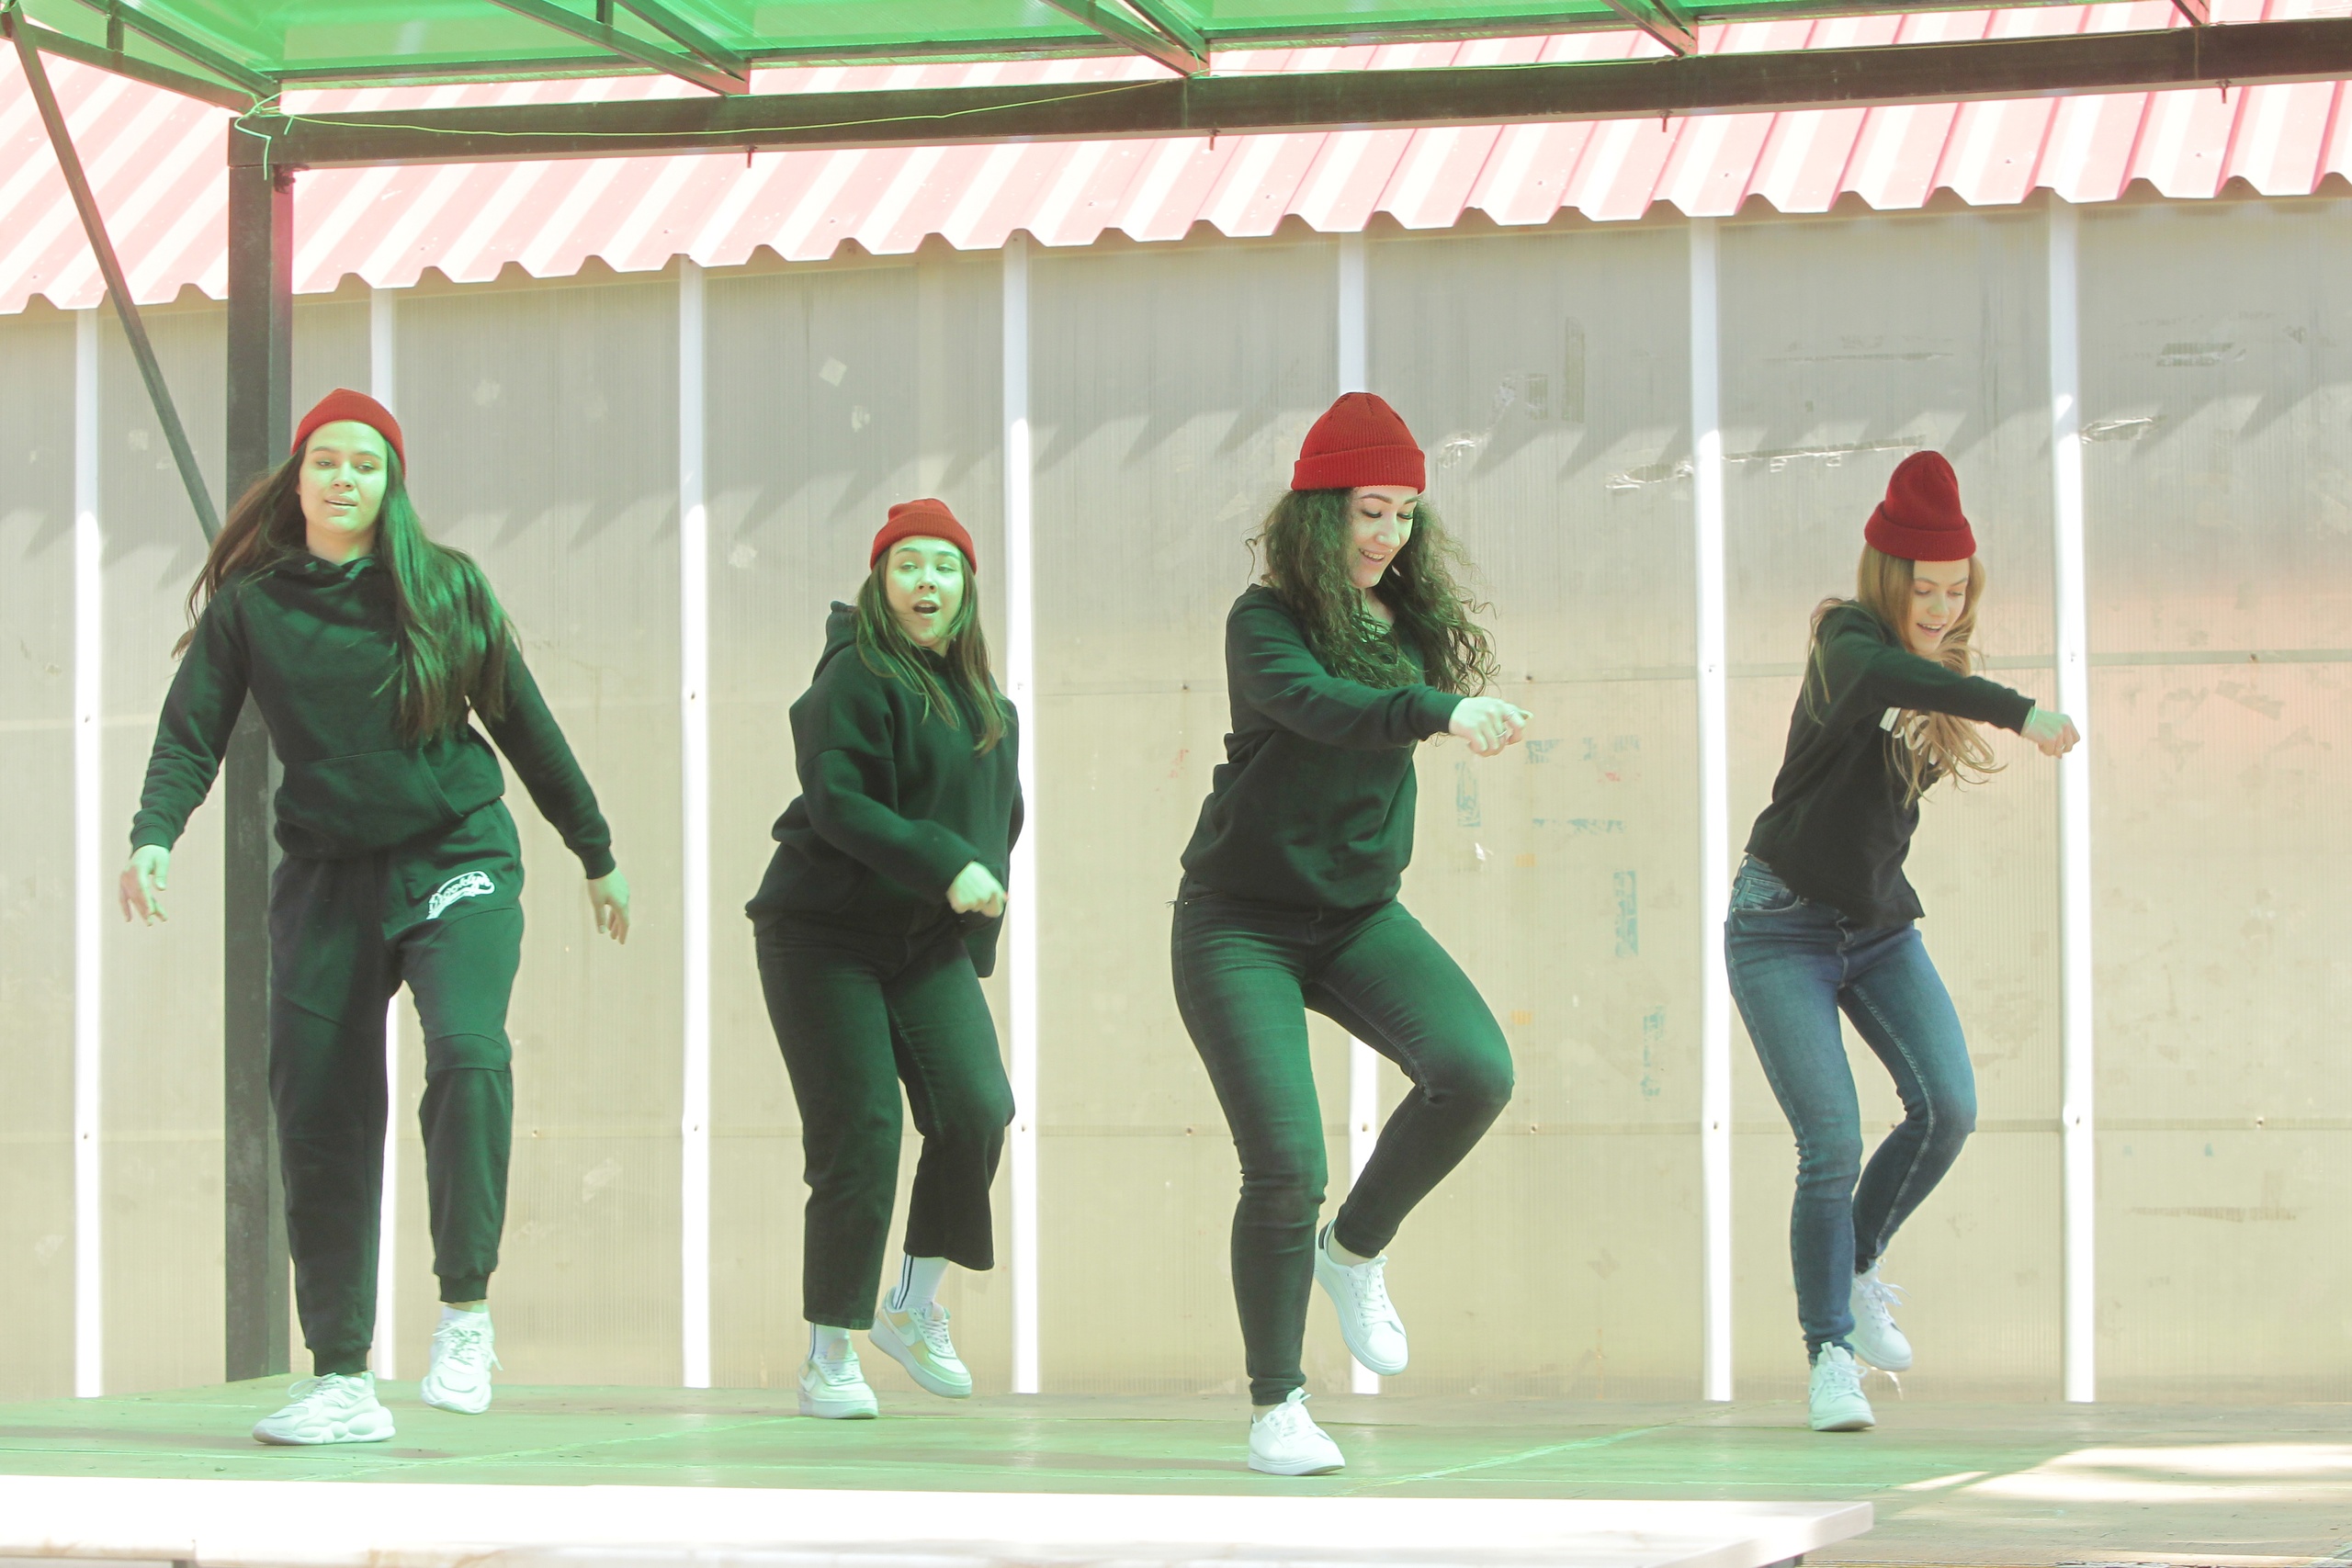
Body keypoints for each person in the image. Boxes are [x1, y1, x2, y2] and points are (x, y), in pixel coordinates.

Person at [119, 389, 630, 1444]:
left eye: (366, 464)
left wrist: (595, 850)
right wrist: (153, 834)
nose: (344, 478)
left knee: (468, 1051)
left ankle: (465, 1315)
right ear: (298, 478)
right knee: (319, 1112)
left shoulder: (445, 588)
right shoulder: (251, 608)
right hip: (326, 878)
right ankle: (343, 1380)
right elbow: (190, 733)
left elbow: (526, 726)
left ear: (392, 482)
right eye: (326, 462)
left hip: (455, 855)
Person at [1170, 393, 1529, 1475]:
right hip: (1240, 925)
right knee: (1287, 1164)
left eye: (1405, 514)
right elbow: (1324, 706)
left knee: (1474, 1071)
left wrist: (1435, 694)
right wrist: (1436, 708)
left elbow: (1384, 703)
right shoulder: (1263, 622)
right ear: (1318, 512)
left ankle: (1355, 1249)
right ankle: (1277, 1405)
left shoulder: (1405, 624)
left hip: (1360, 917)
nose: (1387, 535)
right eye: (1370, 510)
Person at [1728, 451, 2079, 1434]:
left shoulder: (1938, 675)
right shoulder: (1846, 639)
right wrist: (2021, 711)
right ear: (1889, 580)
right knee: (1831, 1140)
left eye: (1955, 591)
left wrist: (1967, 689)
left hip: (1878, 927)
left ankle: (1860, 1260)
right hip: (1780, 925)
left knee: (1948, 1107)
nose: (1939, 608)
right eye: (1923, 589)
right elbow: (1880, 673)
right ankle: (1829, 1354)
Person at [747, 499, 1022, 1420]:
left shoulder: (989, 706)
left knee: (977, 1108)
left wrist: (971, 926)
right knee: (862, 1130)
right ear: (880, 582)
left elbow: (999, 822)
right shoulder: (853, 677)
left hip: (921, 941)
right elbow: (840, 804)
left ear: (966, 588)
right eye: (907, 565)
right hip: (820, 934)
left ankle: (911, 1305)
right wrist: (946, 865)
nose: (925, 582)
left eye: (944, 566)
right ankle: (828, 1352)